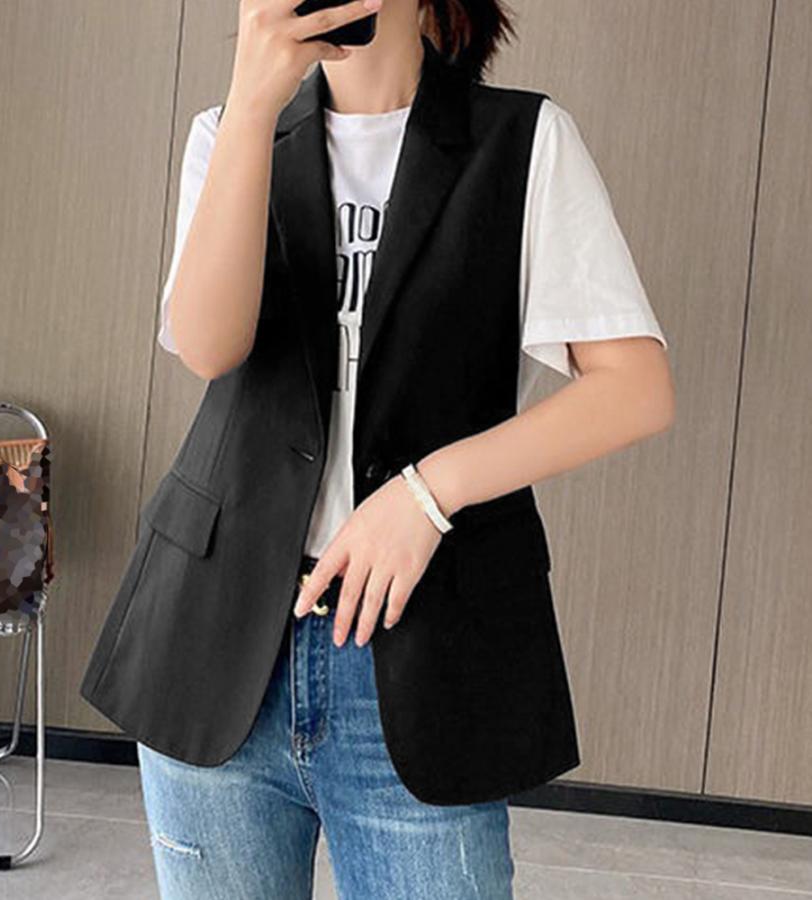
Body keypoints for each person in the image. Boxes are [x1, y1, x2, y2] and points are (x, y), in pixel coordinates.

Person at [125, 0, 674, 897]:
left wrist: (426, 493)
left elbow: (635, 388)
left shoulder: (523, 142)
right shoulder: (228, 132)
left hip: (420, 663)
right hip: (217, 643)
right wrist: (255, 104)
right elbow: (209, 348)